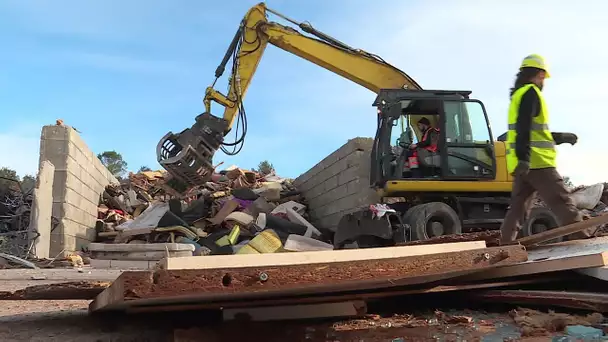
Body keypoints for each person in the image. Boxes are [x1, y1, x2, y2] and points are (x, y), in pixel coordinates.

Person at [500, 54, 592, 244]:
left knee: (518, 208)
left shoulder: (518, 96)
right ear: (540, 74)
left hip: (522, 164)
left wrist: (559, 138)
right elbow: (525, 127)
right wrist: (526, 157)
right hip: (537, 162)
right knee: (562, 202)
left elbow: (531, 131)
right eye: (543, 77)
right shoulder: (531, 93)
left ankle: (506, 245)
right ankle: (583, 241)